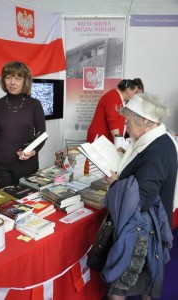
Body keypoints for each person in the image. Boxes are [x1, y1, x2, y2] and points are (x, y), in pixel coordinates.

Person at [102, 93, 178, 300]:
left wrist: (116, 183)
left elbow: (141, 199)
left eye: (128, 121)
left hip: (144, 231)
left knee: (122, 284)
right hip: (148, 226)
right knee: (147, 280)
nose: (125, 126)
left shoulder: (157, 150)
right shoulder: (158, 140)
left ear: (145, 120)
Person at [0, 61, 46, 189]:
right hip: (0, 169)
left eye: (17, 78)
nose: (12, 83)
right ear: (3, 80)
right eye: (8, 77)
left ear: (25, 81)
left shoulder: (35, 105)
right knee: (4, 207)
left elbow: (42, 135)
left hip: (28, 167)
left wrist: (33, 151)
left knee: (30, 206)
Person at [86, 79, 138, 144]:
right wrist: (119, 144)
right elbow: (113, 122)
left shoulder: (119, 98)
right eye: (135, 92)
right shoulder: (113, 97)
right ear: (128, 90)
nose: (135, 95)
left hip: (105, 141)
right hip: (99, 140)